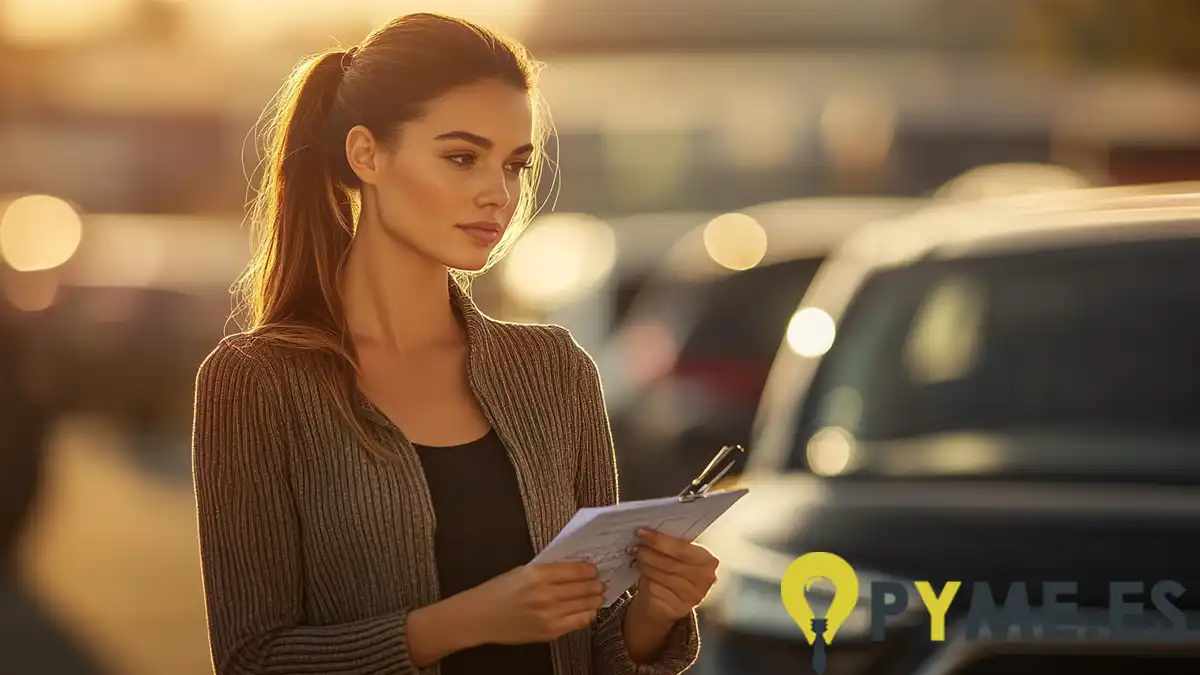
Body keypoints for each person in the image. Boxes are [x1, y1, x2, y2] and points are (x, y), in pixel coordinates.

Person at [191, 13, 718, 675]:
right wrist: (469, 619)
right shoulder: (256, 382)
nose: (497, 193)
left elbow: (598, 646)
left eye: (514, 164)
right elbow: (253, 660)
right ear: (366, 154)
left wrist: (654, 613)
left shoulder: (557, 371)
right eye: (462, 157)